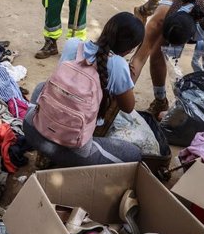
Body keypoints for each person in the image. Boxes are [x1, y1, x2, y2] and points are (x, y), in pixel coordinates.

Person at [23, 12, 145, 167]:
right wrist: (125, 77)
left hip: (32, 130)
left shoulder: (73, 44)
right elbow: (128, 107)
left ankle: (44, 154)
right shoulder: (119, 65)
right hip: (71, 148)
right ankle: (61, 159)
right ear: (130, 49)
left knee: (42, 86)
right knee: (134, 153)